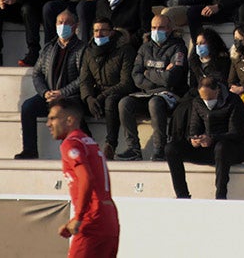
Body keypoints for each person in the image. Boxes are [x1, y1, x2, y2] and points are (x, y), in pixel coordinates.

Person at [47, 97, 120, 258]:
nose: (48, 124)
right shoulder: (89, 143)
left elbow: (86, 178)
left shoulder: (70, 143)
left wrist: (79, 217)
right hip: (109, 216)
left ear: (69, 120)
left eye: (53, 118)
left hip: (91, 217)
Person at [15, 10, 86, 160]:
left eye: (67, 23)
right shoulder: (49, 47)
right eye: (60, 22)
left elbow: (83, 77)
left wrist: (63, 93)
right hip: (49, 95)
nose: (63, 26)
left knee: (67, 113)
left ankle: (80, 149)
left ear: (75, 26)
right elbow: (37, 73)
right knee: (28, 107)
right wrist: (44, 92)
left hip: (71, 97)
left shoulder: (82, 48)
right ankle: (29, 149)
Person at [116, 14, 187, 161]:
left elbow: (170, 79)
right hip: (146, 93)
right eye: (154, 27)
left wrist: (148, 72)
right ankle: (133, 149)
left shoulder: (178, 48)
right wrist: (159, 76)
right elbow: (136, 76)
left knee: (155, 103)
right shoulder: (144, 48)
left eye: (161, 27)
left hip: (170, 95)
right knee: (124, 103)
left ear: (170, 29)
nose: (157, 31)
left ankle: (160, 149)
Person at [165, 75, 244, 200]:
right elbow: (194, 127)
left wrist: (212, 138)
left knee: (221, 148)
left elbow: (236, 132)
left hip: (229, 149)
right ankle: (182, 195)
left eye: (210, 98)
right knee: (171, 149)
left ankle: (220, 195)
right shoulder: (198, 102)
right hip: (206, 147)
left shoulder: (233, 101)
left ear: (218, 91)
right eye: (204, 98)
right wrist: (193, 139)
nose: (207, 101)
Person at [79, 20, 135, 161]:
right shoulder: (88, 51)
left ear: (111, 32)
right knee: (72, 105)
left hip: (117, 92)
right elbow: (85, 80)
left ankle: (110, 144)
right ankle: (88, 142)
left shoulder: (124, 50)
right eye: (96, 31)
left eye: (103, 30)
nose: (99, 34)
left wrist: (103, 95)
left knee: (110, 102)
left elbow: (126, 82)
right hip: (97, 94)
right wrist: (89, 98)